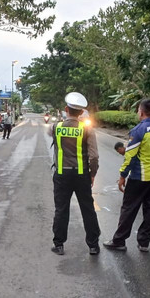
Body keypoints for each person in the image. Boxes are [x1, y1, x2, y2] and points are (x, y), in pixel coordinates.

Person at [103, 99, 150, 252]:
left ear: (141, 111)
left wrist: (122, 176)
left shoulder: (139, 130)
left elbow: (130, 156)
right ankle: (144, 243)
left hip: (140, 177)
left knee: (129, 208)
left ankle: (119, 240)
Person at [48, 92, 101, 256]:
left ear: (66, 109)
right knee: (88, 209)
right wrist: (92, 174)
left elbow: (51, 133)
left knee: (61, 209)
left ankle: (59, 244)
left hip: (62, 175)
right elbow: (94, 156)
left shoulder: (56, 127)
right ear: (81, 113)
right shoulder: (87, 129)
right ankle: (93, 245)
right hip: (81, 175)